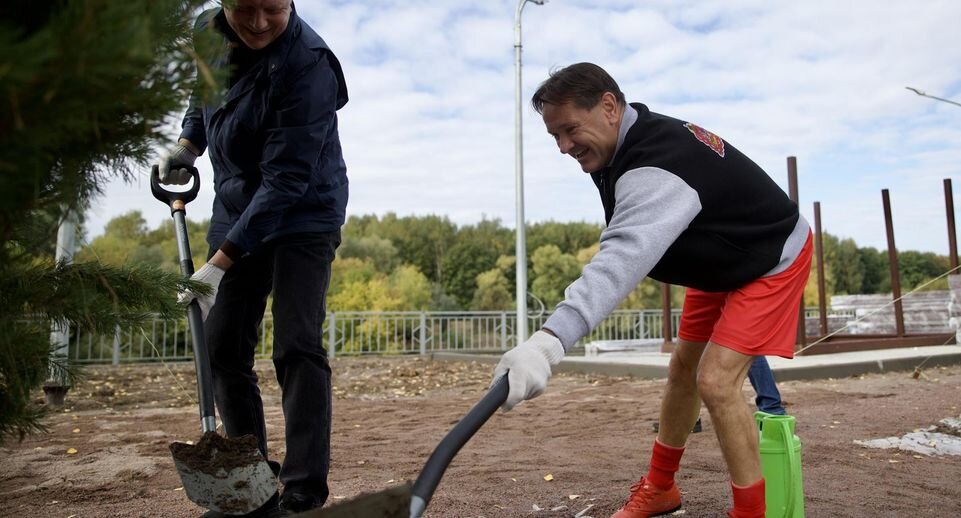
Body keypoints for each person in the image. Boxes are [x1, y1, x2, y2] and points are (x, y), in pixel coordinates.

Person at [491, 63, 812, 518]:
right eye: (554, 137)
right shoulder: (622, 143)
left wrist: (549, 342)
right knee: (684, 368)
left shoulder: (657, 165)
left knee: (717, 381)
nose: (563, 147)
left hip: (771, 255)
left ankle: (751, 514)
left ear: (608, 106)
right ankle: (661, 488)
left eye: (569, 130)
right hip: (722, 261)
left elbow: (620, 260)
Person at [157, 0, 348, 516]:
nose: (259, 23)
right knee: (222, 346)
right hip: (237, 204)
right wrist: (188, 143)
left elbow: (286, 179)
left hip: (305, 212)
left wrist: (218, 265)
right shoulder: (207, 31)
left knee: (297, 345)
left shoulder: (309, 66)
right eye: (246, 10)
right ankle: (251, 480)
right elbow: (205, 90)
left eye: (273, 9)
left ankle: (304, 490)